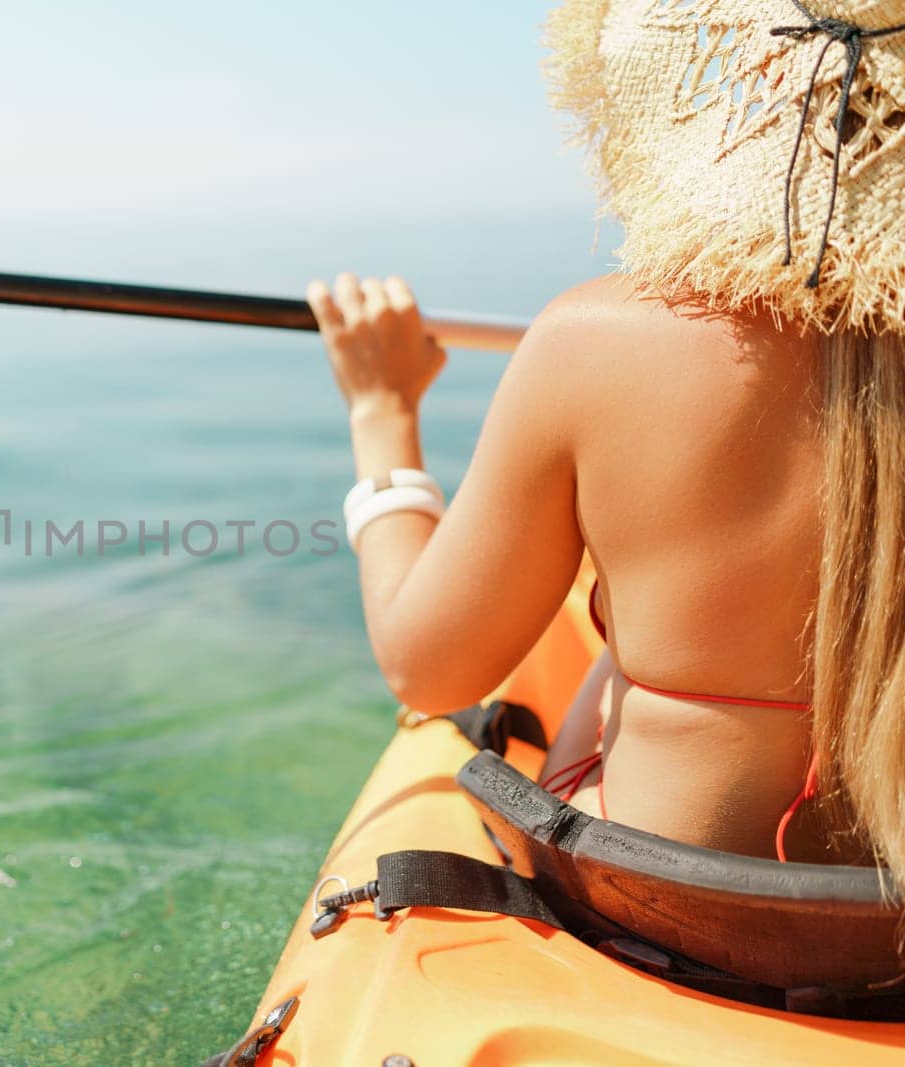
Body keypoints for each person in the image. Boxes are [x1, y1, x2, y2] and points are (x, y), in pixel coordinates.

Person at [304, 0, 905, 870]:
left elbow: (427, 667)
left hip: (664, 908)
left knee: (616, 606)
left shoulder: (597, 340)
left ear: (752, 84)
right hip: (879, 938)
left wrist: (381, 409)